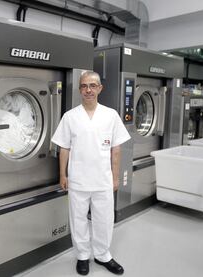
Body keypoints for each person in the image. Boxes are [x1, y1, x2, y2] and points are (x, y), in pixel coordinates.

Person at [51, 71, 130, 276]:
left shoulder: (110, 115)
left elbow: (116, 149)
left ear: (100, 88)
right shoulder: (70, 117)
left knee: (104, 219)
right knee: (78, 220)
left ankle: (103, 255)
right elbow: (64, 148)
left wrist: (114, 177)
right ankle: (83, 256)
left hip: (103, 179)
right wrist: (63, 175)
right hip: (78, 179)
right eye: (84, 86)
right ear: (79, 90)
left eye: (93, 86)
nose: (88, 90)